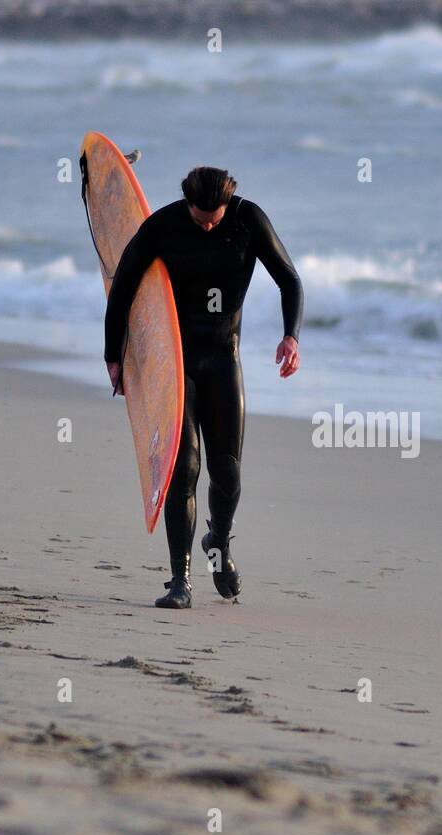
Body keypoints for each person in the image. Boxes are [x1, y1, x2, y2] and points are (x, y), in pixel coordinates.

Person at [104, 166, 302, 609]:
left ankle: (218, 543)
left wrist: (291, 336)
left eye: (215, 219)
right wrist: (113, 356)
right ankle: (180, 580)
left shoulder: (248, 220)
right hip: (177, 364)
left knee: (228, 470)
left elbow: (289, 279)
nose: (209, 226)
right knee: (184, 470)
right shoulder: (163, 227)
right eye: (200, 219)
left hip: (223, 358)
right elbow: (123, 287)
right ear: (186, 203)